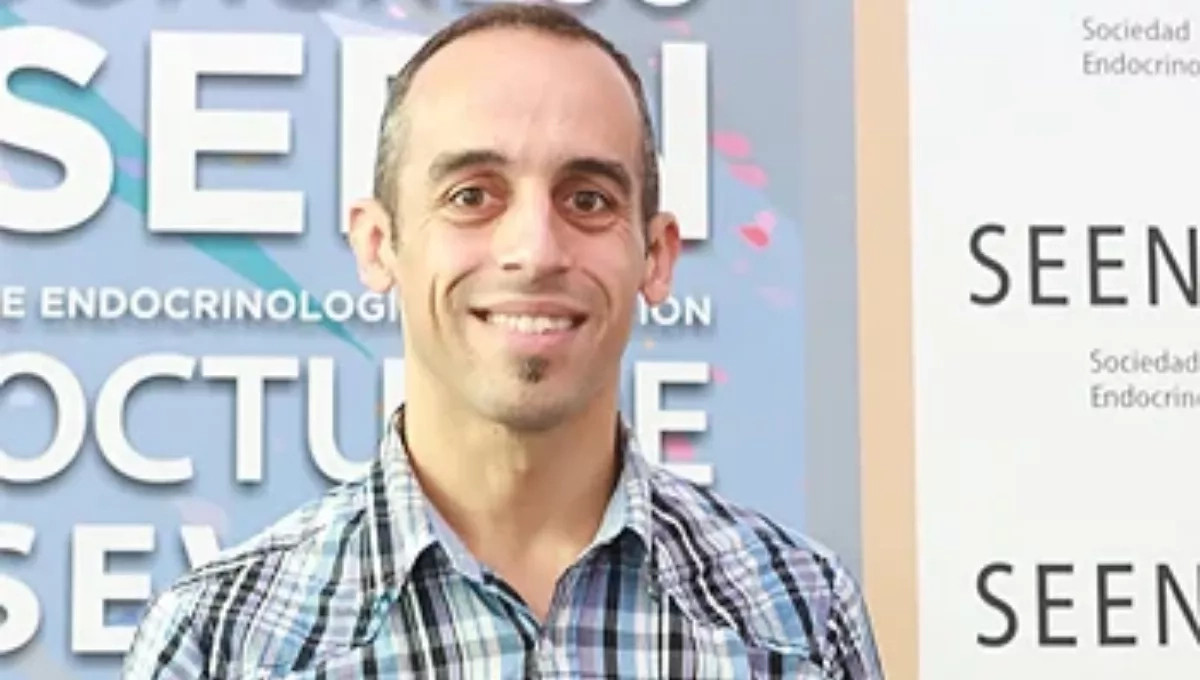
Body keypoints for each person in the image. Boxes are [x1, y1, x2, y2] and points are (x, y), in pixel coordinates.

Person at [122, 3, 884, 678]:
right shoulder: (223, 641)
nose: (535, 250)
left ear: (655, 257)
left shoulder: (797, 615)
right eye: (472, 196)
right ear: (379, 245)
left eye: (588, 199)